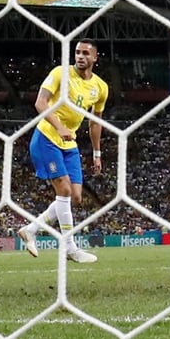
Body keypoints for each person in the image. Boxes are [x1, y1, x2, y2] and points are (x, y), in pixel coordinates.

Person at [17, 39, 108, 264]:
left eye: (85, 53)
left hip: (69, 144)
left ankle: (30, 229)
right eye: (77, 52)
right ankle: (69, 248)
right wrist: (59, 127)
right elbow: (40, 102)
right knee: (64, 190)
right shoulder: (60, 73)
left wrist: (97, 153)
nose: (80, 56)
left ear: (95, 57)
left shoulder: (101, 87)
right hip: (47, 138)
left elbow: (95, 122)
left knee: (75, 196)